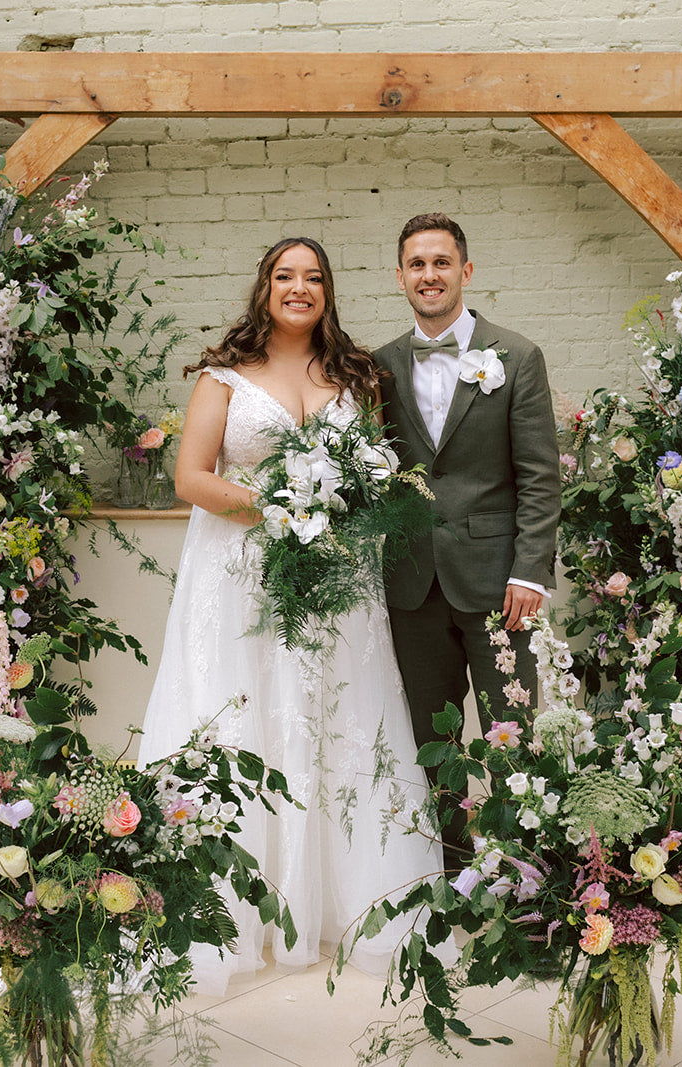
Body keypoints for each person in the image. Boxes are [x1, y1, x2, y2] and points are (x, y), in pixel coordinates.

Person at [137, 237, 440, 995]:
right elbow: (191, 477)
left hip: (337, 581)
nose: (298, 288)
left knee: (334, 723)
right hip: (243, 578)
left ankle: (339, 903)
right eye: (284, 276)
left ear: (328, 291)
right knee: (246, 719)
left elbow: (375, 475)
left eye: (312, 278)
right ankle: (227, 910)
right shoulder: (224, 378)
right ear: (265, 287)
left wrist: (342, 504)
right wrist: (282, 507)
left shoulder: (356, 377)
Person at [374, 213, 561, 871]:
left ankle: (528, 876)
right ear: (400, 277)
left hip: (498, 585)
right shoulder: (378, 369)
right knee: (432, 740)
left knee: (512, 736)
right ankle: (449, 869)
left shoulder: (517, 355)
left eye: (442, 262)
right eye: (417, 264)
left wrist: (531, 571)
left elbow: (540, 475)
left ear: (466, 271)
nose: (430, 275)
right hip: (412, 585)